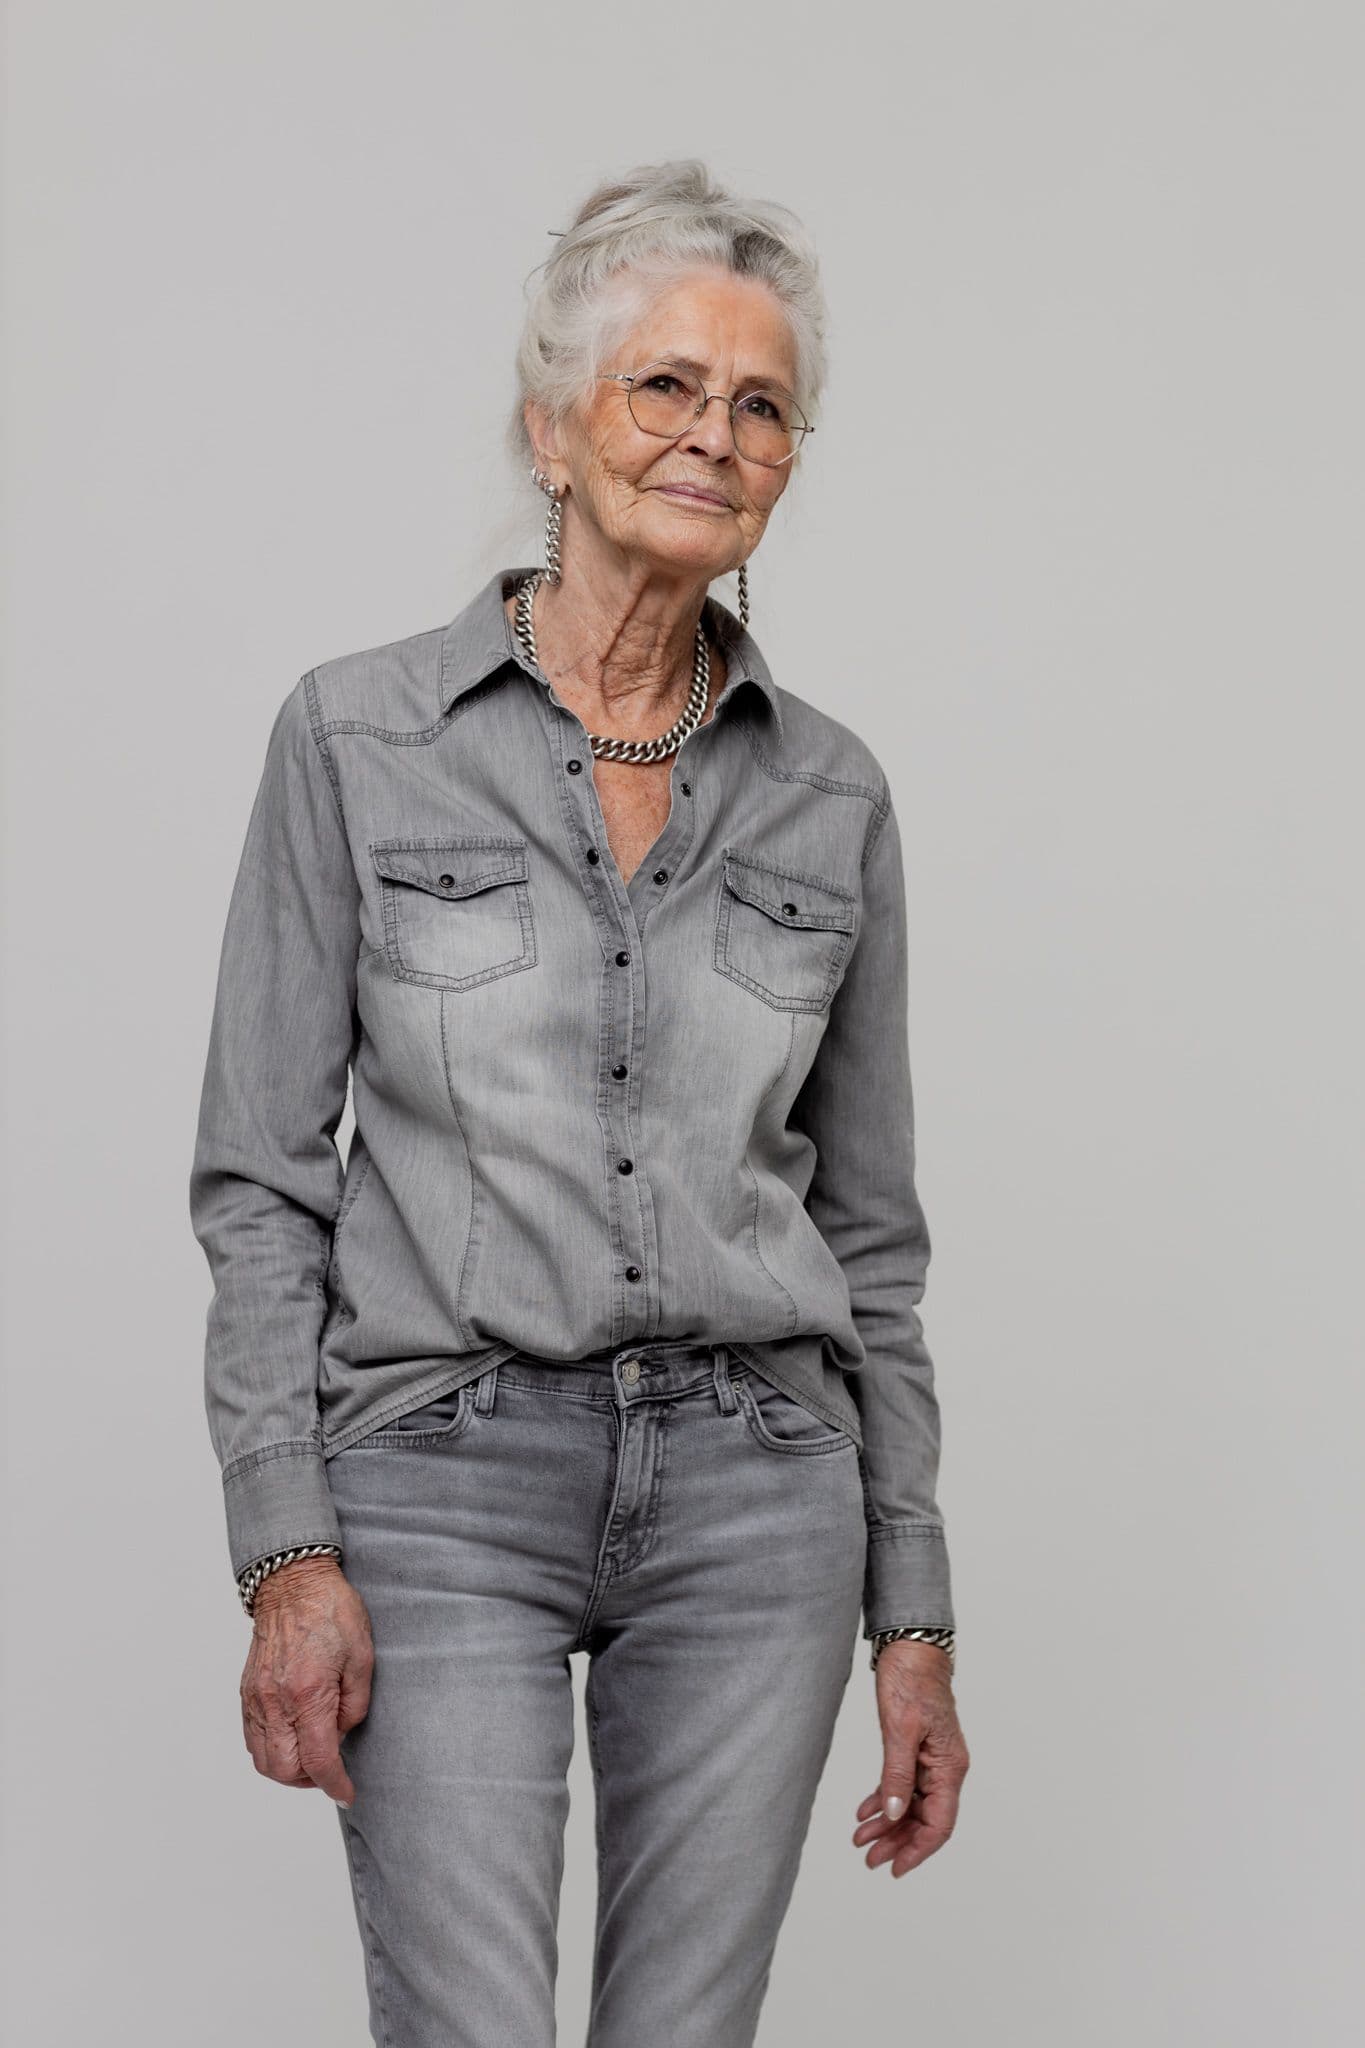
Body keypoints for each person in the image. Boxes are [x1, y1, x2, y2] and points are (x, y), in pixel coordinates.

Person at [189, 156, 970, 2048]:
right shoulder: (357, 739)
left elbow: (868, 1237)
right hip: (438, 1478)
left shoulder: (832, 797)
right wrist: (287, 1547)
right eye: (667, 385)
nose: (716, 434)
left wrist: (913, 1611)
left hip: (757, 1499)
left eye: (762, 405)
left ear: (786, 465)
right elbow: (260, 1181)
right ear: (553, 425)